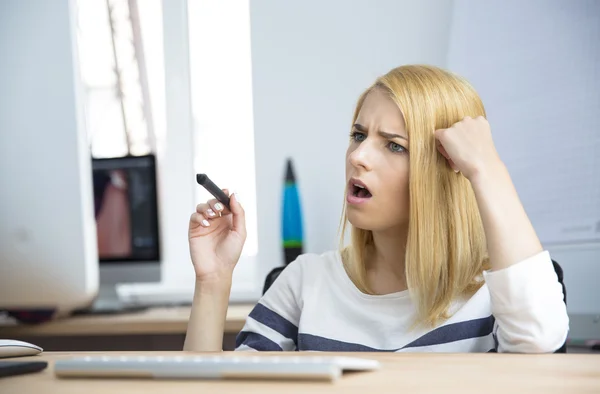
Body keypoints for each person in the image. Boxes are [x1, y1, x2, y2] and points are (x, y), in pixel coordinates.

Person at [184, 65, 569, 353]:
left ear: (448, 166)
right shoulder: (304, 281)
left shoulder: (495, 294)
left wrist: (487, 168)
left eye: (394, 145)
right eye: (358, 135)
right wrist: (213, 281)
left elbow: (538, 344)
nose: (359, 156)